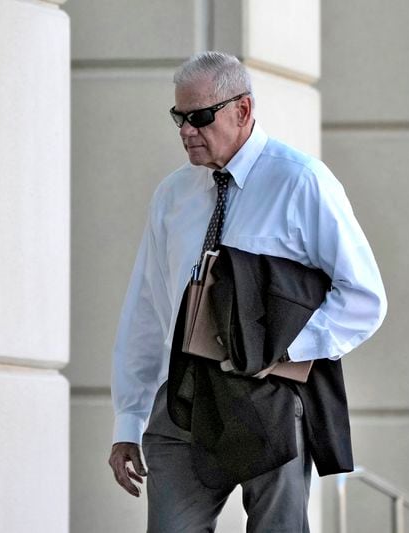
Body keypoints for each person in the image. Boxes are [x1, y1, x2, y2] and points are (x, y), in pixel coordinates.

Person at [108, 51, 387, 532]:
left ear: (242, 110)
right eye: (179, 117)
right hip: (183, 400)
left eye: (199, 117)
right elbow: (149, 310)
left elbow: (362, 296)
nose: (186, 130)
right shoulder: (173, 196)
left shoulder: (300, 181)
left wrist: (280, 351)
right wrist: (128, 420)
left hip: (268, 403)